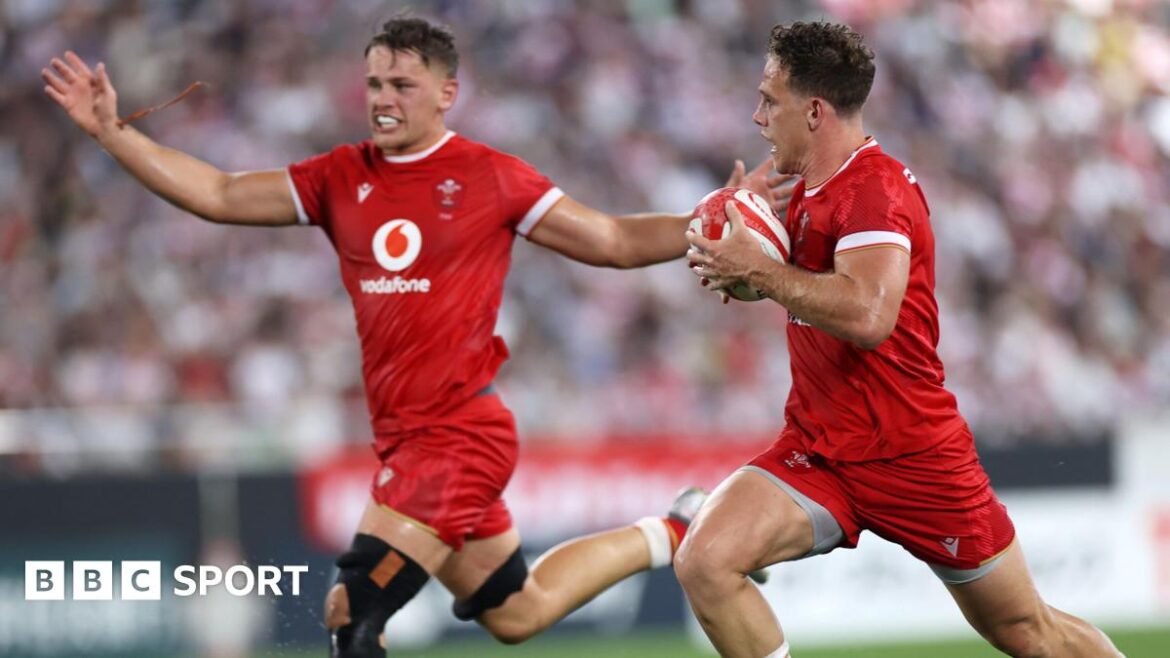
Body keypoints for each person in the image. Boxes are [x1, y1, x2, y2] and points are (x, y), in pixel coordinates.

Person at [42, 15, 786, 658]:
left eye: (402, 86)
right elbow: (219, 194)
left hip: (458, 437)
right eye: (374, 85)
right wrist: (112, 132)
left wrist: (704, 220)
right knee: (515, 612)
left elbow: (614, 240)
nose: (384, 101)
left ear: (445, 93)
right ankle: (676, 528)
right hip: (406, 440)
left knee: (351, 614)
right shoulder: (340, 176)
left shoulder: (489, 177)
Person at [681, 21, 1124, 658]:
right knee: (707, 561)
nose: (756, 116)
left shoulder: (875, 190)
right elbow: (795, 285)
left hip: (911, 455)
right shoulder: (808, 190)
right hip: (821, 447)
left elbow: (868, 315)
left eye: (768, 100)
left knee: (1027, 632)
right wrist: (748, 239)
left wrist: (758, 270)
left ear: (813, 110)